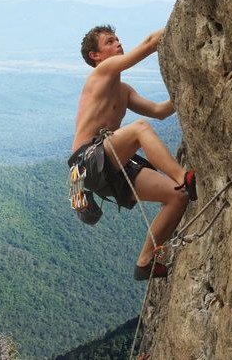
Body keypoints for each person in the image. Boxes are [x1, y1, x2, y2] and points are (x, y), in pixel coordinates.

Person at [68, 25, 196, 280]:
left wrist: (186, 89)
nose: (118, 44)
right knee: (139, 129)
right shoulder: (100, 73)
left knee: (177, 198)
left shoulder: (123, 91)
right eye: (109, 42)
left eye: (117, 39)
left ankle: (145, 261)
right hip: (88, 161)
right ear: (96, 56)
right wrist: (180, 22)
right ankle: (184, 177)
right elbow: (150, 43)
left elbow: (159, 111)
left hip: (111, 165)